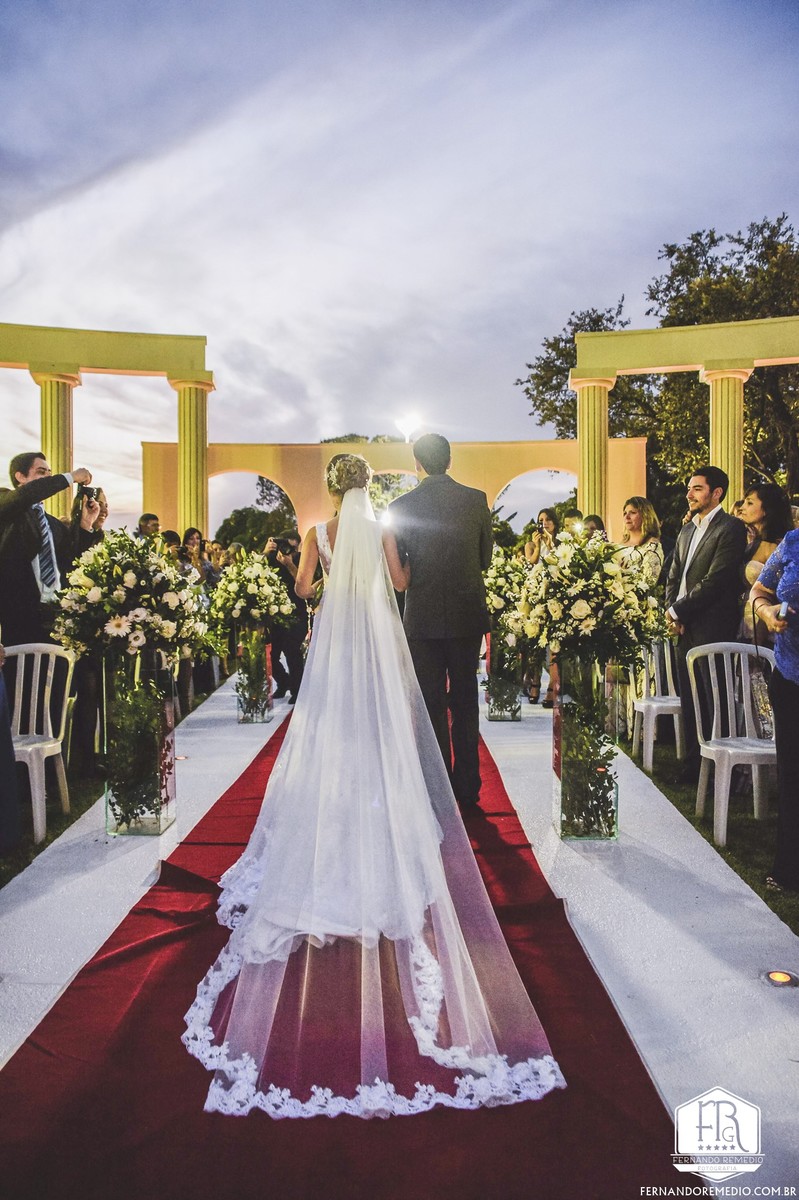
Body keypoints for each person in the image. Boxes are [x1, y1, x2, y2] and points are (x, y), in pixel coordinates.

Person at [183, 452, 565, 1118]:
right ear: (369, 485)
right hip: (376, 641)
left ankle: (328, 826)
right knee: (381, 734)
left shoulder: (317, 535)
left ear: (331, 489)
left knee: (329, 734)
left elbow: (303, 592)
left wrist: (328, 580)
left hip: (332, 643)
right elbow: (397, 580)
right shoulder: (383, 529)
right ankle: (383, 820)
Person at [388, 434, 493, 809]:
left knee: (430, 702)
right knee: (465, 699)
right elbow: (484, 560)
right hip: (466, 615)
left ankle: (437, 790)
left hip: (422, 617)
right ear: (449, 461)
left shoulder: (401, 505)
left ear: (416, 462)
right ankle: (468, 788)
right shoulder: (475, 499)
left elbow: (399, 572)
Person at [665, 466, 748, 783]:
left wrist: (678, 612)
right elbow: (674, 577)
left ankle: (717, 772)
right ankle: (691, 767)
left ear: (717, 493)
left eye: (697, 488)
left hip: (711, 625)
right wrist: (672, 611)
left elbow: (717, 579)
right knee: (689, 698)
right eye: (689, 488)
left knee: (714, 700)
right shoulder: (686, 530)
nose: (689, 494)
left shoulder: (731, 528)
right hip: (682, 627)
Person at [0, 452, 100, 647]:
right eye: (40, 472)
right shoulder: (7, 505)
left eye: (50, 473)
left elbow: (72, 563)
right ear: (20, 477)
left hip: (55, 619)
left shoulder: (54, 525)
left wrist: (86, 525)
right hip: (19, 617)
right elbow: (27, 494)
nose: (48, 477)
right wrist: (70, 477)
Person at [749, 530, 799, 893]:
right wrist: (767, 612)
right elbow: (759, 592)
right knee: (793, 773)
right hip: (791, 673)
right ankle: (789, 868)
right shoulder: (793, 541)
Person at [738, 483, 794, 641]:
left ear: (766, 510)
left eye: (750, 503)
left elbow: (780, 594)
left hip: (766, 627)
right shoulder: (749, 543)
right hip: (742, 621)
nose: (742, 507)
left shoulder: (778, 547)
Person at [264, 530, 306, 703]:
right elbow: (256, 572)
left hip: (297, 611)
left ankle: (297, 690)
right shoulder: (272, 557)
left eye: (293, 548)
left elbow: (304, 584)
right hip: (276, 612)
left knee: (292, 652)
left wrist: (290, 564)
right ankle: (283, 682)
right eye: (286, 546)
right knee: (273, 655)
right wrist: (265, 552)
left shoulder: (302, 559)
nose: (289, 551)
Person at [524, 508, 560, 706]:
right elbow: (532, 562)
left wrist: (550, 543)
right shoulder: (531, 544)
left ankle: (552, 688)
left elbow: (560, 562)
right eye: (541, 520)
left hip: (554, 595)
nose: (544, 523)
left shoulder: (560, 542)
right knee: (535, 642)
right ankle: (535, 682)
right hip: (535, 594)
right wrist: (538, 545)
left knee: (553, 643)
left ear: (554, 523)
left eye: (548, 520)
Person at [619, 496, 664, 589]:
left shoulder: (651, 547)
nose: (627, 517)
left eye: (633, 513)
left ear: (645, 515)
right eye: (625, 513)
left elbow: (648, 583)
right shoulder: (618, 547)